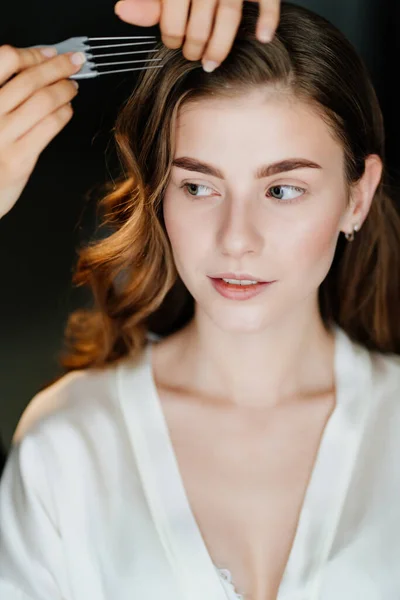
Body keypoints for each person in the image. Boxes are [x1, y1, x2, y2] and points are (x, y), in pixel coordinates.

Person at [1, 2, 400, 599]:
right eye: (197, 186)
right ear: (161, 193)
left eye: (283, 189)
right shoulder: (69, 446)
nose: (236, 238)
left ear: (356, 197)